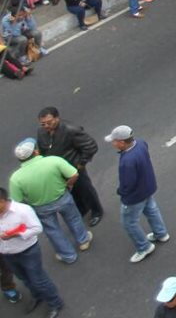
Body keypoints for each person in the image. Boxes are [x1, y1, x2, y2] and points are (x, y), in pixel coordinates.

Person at [7, 140, 91, 265]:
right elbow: (74, 174)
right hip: (62, 197)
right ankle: (83, 241)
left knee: (52, 230)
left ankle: (68, 255)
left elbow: (17, 200)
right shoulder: (53, 160)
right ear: (35, 152)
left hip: (40, 206)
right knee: (74, 218)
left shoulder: (16, 178)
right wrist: (68, 185)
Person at [105, 125, 169, 263]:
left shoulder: (127, 161)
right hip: (148, 187)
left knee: (129, 222)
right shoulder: (140, 143)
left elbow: (127, 184)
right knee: (152, 210)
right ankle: (161, 233)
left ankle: (144, 247)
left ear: (122, 142)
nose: (113, 143)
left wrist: (121, 192)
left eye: (114, 141)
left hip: (134, 197)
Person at [0, 187, 64, 317]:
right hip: (7, 254)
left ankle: (55, 302)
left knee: (38, 279)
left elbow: (37, 228)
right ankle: (37, 295)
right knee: (23, 278)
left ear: (2, 201)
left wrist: (16, 234)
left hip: (27, 251)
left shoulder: (22, 210)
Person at [35, 108, 103, 229]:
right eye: (43, 123)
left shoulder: (71, 130)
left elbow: (90, 146)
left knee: (85, 189)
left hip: (74, 167)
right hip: (57, 170)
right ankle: (82, 209)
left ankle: (96, 211)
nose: (46, 126)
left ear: (57, 118)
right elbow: (42, 150)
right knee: (72, 192)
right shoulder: (41, 132)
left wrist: (80, 164)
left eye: (49, 122)